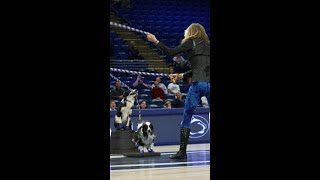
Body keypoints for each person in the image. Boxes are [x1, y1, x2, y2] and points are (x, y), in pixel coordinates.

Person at [147, 23, 210, 159]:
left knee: (187, 118)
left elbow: (170, 52)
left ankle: (182, 152)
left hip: (198, 85)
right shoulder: (208, 44)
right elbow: (202, 67)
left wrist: (155, 41)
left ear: (192, 31)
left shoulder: (190, 41)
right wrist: (181, 75)